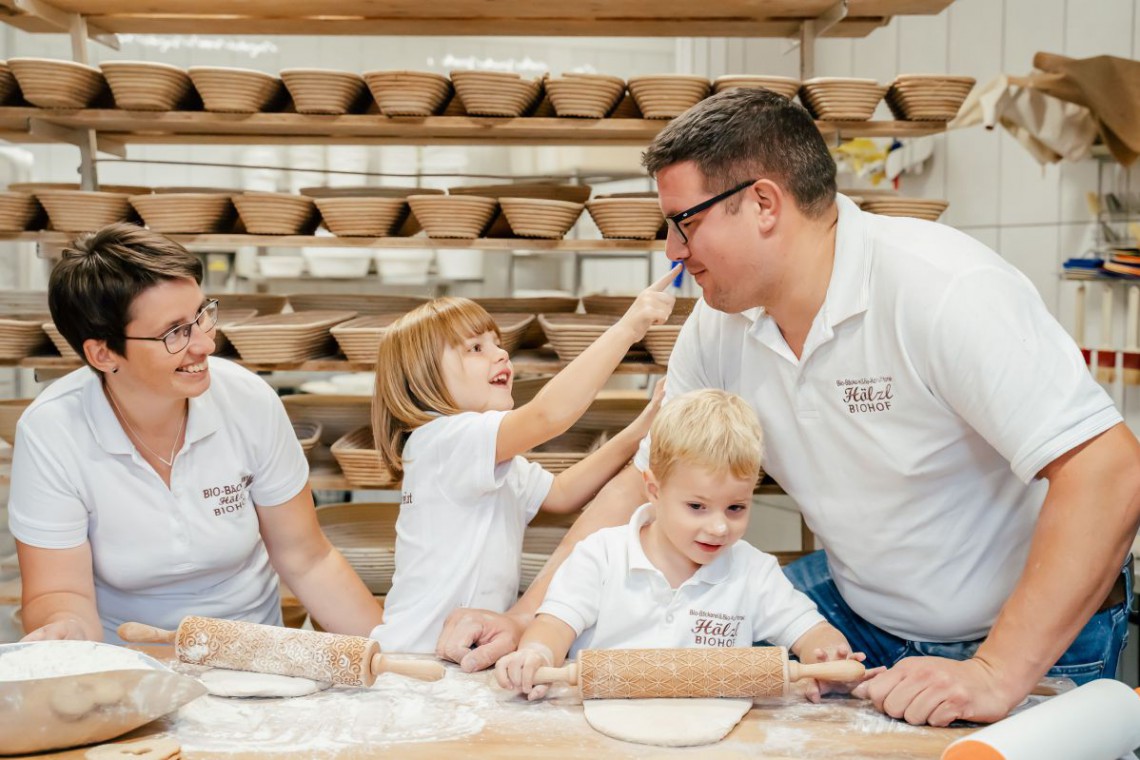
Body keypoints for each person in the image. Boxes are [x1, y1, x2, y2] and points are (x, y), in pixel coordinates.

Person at [441, 87, 1140, 727]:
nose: (673, 250)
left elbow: (1109, 471)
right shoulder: (721, 326)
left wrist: (996, 672)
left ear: (764, 204)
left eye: (684, 222)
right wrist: (528, 618)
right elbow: (648, 478)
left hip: (1028, 638)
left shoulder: (943, 290)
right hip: (863, 620)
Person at [9, 223, 383, 643]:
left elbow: (308, 560)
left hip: (252, 651)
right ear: (103, 353)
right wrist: (70, 634)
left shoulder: (248, 400)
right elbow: (60, 592)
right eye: (175, 332)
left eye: (202, 316)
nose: (205, 344)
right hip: (130, 656)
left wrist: (389, 654)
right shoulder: (52, 431)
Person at [495, 389, 875, 701]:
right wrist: (536, 654)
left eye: (736, 508)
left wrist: (826, 653)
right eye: (697, 507)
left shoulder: (753, 572)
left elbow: (808, 631)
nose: (719, 527)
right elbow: (553, 626)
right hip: (605, 733)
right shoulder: (601, 556)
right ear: (654, 490)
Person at [369, 269, 675, 653]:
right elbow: (548, 415)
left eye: (497, 345)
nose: (501, 355)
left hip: (460, 646)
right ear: (422, 377)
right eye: (475, 348)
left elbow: (562, 493)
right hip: (416, 652)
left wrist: (642, 428)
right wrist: (628, 329)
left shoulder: (487, 458)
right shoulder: (443, 441)